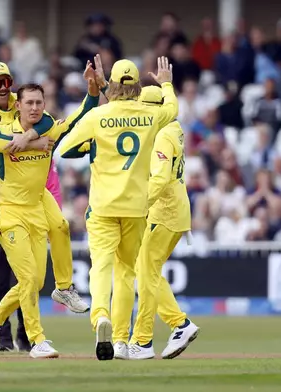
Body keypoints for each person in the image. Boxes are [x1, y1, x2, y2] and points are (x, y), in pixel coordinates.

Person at [0, 65, 100, 358]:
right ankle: (37, 341)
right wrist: (30, 140)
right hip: (9, 212)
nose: (35, 107)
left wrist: (92, 93)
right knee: (26, 278)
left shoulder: (48, 125)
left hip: (37, 208)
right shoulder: (2, 129)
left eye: (40, 102)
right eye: (29, 103)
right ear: (18, 105)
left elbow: (77, 120)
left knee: (37, 279)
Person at [58, 57, 177, 360]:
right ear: (138, 86)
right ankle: (122, 340)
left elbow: (66, 148)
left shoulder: (98, 116)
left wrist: (95, 146)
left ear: (110, 84)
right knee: (126, 272)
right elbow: (173, 110)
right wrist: (165, 82)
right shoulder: (151, 116)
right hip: (137, 207)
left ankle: (101, 317)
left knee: (101, 266)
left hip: (102, 205)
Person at [128, 86, 200, 360]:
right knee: (149, 271)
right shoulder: (173, 126)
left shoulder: (160, 136)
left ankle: (148, 338)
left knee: (146, 273)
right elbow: (171, 102)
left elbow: (159, 178)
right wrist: (167, 84)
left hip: (164, 212)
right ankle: (175, 326)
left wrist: (138, 205)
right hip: (175, 211)